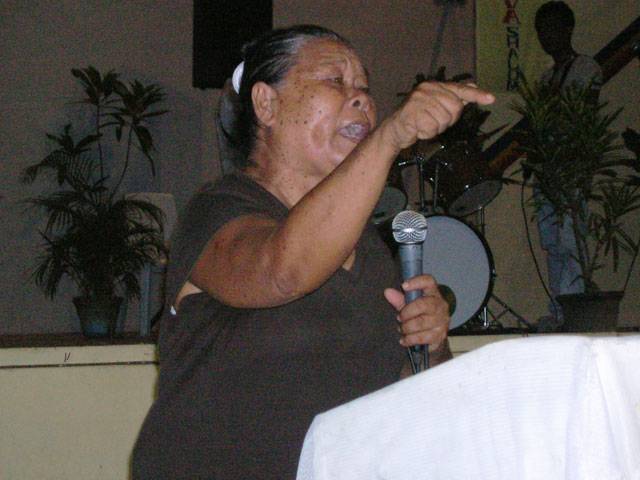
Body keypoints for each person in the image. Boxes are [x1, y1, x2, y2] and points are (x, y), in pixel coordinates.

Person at [131, 25, 494, 479]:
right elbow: (282, 270)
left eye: (364, 88)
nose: (361, 99)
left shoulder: (369, 248)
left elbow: (403, 397)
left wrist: (432, 345)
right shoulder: (218, 210)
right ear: (266, 104)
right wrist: (390, 136)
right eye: (335, 81)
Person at [533, 1, 603, 331]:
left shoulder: (586, 67)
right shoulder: (546, 77)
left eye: (552, 28)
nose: (546, 36)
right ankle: (560, 310)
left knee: (570, 240)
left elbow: (583, 116)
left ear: (568, 29)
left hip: (570, 167)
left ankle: (574, 311)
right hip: (548, 170)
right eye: (541, 31)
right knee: (552, 244)